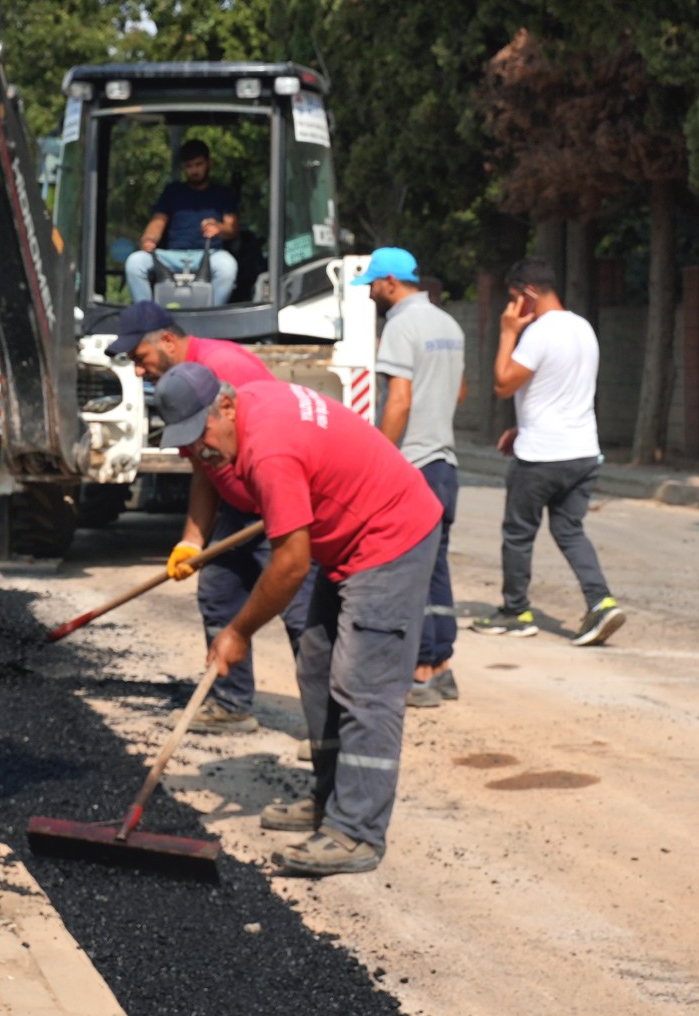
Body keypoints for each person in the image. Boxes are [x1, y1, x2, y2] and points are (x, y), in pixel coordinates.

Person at [157, 364, 443, 876]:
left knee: (365, 686)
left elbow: (289, 563)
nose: (199, 451)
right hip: (346, 540)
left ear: (225, 407)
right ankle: (331, 800)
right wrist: (192, 540)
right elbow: (216, 477)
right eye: (187, 443)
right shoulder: (236, 416)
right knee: (316, 664)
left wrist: (238, 631)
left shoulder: (270, 451)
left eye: (201, 438)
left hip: (390, 537)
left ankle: (356, 831)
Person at [107, 302, 315, 735]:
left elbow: (275, 440)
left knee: (302, 615)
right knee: (219, 594)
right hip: (238, 509)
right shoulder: (177, 386)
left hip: (275, 505)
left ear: (166, 341)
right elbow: (204, 469)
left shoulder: (226, 369)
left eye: (139, 360)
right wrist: (191, 541)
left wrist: (275, 510)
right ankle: (231, 704)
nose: (139, 372)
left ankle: (325, 729)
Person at [473, 257, 625, 646]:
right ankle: (602, 602)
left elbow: (504, 383)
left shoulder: (538, 333)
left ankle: (515, 611)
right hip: (583, 452)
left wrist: (507, 332)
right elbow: (558, 391)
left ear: (528, 294)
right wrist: (521, 427)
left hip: (543, 456)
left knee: (518, 534)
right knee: (569, 529)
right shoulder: (583, 328)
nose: (513, 310)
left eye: (514, 300)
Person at [352, 248, 466, 707]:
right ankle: (440, 666)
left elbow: (397, 400)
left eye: (374, 285)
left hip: (412, 466)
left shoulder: (400, 326)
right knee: (436, 568)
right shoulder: (448, 324)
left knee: (408, 572)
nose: (372, 294)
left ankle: (419, 671)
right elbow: (459, 390)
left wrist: (380, 459)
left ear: (391, 282)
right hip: (445, 464)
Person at [124, 139, 240, 306]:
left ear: (209, 163)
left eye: (198, 164)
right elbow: (158, 221)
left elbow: (232, 227)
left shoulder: (223, 193)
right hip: (171, 256)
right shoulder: (173, 191)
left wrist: (218, 227)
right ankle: (149, 317)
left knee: (227, 267)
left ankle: (211, 316)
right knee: (135, 263)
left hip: (210, 254)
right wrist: (149, 239)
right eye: (189, 166)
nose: (194, 170)